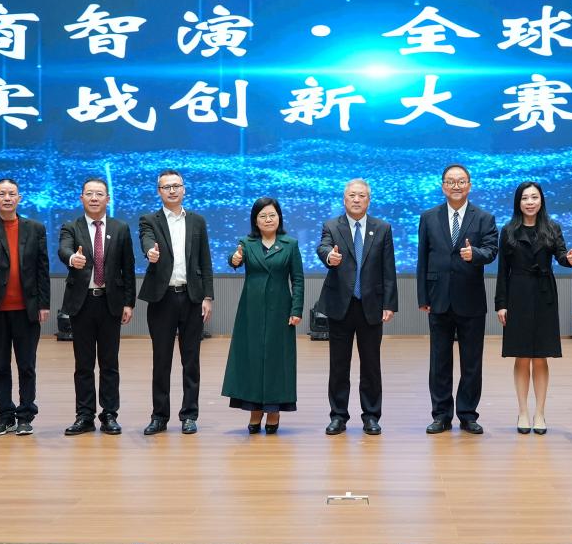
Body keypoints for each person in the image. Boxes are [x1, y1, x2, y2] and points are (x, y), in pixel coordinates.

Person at [417, 164, 498, 435]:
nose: (456, 186)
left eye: (461, 181)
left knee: (471, 362)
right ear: (443, 186)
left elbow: (491, 251)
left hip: (470, 299)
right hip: (438, 298)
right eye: (451, 181)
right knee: (439, 361)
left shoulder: (484, 218)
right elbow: (422, 258)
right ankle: (441, 415)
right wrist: (423, 295)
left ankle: (467, 414)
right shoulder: (429, 217)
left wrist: (475, 254)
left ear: (469, 186)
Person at [316, 179, 398, 436]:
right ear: (344, 199)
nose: (356, 199)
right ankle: (338, 416)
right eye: (352, 195)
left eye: (361, 195)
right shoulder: (332, 225)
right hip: (341, 305)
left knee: (371, 365)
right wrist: (330, 256)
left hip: (371, 305)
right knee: (339, 365)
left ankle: (371, 416)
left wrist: (389, 303)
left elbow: (388, 268)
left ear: (368, 200)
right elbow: (323, 247)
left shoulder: (382, 228)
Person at [494, 181, 572, 435]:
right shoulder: (508, 230)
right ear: (518, 202)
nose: (530, 202)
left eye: (534, 197)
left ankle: (539, 413)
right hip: (517, 295)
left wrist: (569, 260)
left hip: (544, 295)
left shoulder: (552, 227)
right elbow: (502, 271)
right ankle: (522, 412)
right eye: (525, 198)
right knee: (521, 356)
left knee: (541, 356)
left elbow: (561, 255)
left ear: (541, 200)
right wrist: (501, 304)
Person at [0, 179, 50, 436]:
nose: (7, 198)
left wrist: (44, 304)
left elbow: (42, 268)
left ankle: (25, 415)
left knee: (27, 365)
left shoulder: (35, 228)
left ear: (19, 198)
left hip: (27, 308)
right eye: (2, 194)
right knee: (1, 366)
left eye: (11, 194)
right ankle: (5, 416)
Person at [138, 169, 214, 436]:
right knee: (161, 360)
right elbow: (146, 240)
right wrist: (150, 252)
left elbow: (205, 260)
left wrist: (207, 296)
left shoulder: (197, 221)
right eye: (166, 187)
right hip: (162, 299)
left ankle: (189, 415)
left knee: (191, 360)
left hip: (192, 298)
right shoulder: (149, 220)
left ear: (184, 189)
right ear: (159, 191)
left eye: (176, 186)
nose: (172, 190)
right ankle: (159, 416)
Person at [58, 178, 137, 436]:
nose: (94, 198)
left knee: (109, 363)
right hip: (82, 303)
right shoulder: (71, 227)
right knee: (83, 364)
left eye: (99, 194)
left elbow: (128, 267)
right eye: (89, 193)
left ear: (108, 199)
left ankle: (110, 414)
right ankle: (84, 415)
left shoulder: (120, 228)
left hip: (110, 303)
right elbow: (64, 250)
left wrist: (129, 302)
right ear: (81, 198)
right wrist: (73, 258)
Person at [222, 197, 304, 434]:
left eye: (272, 215)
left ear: (279, 218)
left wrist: (296, 309)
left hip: (281, 310)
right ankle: (254, 409)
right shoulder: (246, 243)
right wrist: (234, 259)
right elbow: (234, 259)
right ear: (255, 221)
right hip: (251, 310)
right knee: (252, 359)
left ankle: (274, 410)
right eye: (263, 216)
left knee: (278, 361)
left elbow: (297, 279)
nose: (268, 220)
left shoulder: (290, 244)